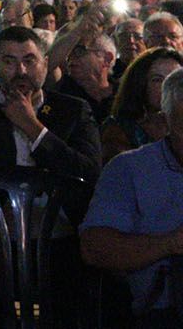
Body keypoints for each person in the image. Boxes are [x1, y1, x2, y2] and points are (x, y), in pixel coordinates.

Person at [0, 25, 102, 325]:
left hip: (62, 238)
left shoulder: (73, 111)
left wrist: (33, 128)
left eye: (30, 60)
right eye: (9, 61)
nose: (21, 70)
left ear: (45, 63)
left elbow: (89, 174)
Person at [81, 67, 183, 327]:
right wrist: (171, 243)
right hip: (164, 311)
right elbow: (95, 247)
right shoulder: (130, 169)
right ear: (166, 121)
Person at [100, 46, 183, 163]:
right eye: (157, 80)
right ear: (140, 84)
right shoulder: (120, 130)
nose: (166, 86)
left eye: (174, 79)